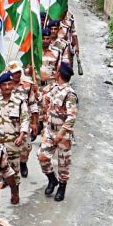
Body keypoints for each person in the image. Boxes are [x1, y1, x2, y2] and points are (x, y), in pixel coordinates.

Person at [38, 63, 78, 202]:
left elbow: (71, 116)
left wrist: (61, 133)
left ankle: (62, 187)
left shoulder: (69, 94)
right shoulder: (55, 88)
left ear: (59, 74)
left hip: (63, 134)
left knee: (63, 163)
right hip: (50, 130)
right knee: (42, 156)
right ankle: (52, 179)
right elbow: (44, 101)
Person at [0, 72, 29, 200]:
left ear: (13, 85)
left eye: (9, 84)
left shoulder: (19, 102)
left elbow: (25, 119)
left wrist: (21, 136)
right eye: (4, 84)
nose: (7, 87)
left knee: (14, 170)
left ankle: (15, 192)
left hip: (13, 142)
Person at [7, 61, 39, 178]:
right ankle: (9, 168)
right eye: (14, 73)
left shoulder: (27, 85)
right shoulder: (5, 85)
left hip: (24, 119)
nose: (17, 75)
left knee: (26, 147)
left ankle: (23, 162)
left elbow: (32, 103)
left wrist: (35, 122)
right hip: (8, 120)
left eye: (19, 72)